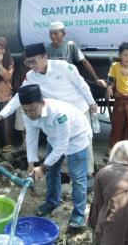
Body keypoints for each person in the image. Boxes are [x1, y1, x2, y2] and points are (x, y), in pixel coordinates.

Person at [0, 43, 97, 190]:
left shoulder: (63, 67)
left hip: (78, 111)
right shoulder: (31, 76)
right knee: (60, 144)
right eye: (28, 62)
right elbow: (19, 97)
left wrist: (92, 103)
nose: (31, 65)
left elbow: (82, 85)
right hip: (57, 115)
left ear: (45, 57)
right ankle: (62, 172)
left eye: (34, 61)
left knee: (84, 144)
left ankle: (88, 174)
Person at [20, 84, 91, 228]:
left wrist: (43, 167)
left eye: (33, 109)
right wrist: (31, 164)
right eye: (26, 111)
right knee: (52, 173)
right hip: (54, 138)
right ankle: (52, 202)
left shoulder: (59, 113)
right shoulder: (27, 112)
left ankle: (78, 215)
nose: (30, 114)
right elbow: (32, 137)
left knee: (77, 177)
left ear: (42, 102)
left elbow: (62, 145)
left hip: (77, 137)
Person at [45, 21, 107, 87]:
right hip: (54, 81)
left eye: (55, 33)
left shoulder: (70, 45)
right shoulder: (46, 49)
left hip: (69, 80)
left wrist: (96, 78)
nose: (52, 36)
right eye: (50, 33)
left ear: (64, 34)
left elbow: (85, 62)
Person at [11, 52, 31, 151]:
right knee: (22, 124)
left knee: (32, 125)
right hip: (21, 100)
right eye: (25, 59)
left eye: (29, 59)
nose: (27, 61)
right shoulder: (19, 71)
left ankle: (29, 143)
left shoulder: (36, 71)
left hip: (33, 101)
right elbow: (15, 86)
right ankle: (24, 142)